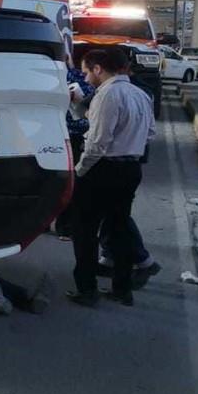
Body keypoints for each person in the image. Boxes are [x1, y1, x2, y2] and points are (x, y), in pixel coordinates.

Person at [68, 47, 156, 307]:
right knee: (119, 229)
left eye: (86, 72)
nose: (85, 79)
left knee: (84, 231)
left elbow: (97, 143)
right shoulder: (141, 94)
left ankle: (87, 289)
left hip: (103, 170)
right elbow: (150, 133)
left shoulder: (107, 95)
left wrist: (79, 172)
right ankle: (122, 289)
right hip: (131, 169)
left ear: (98, 69)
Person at [55, 61, 94, 238]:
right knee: (71, 181)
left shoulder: (52, 76)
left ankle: (60, 224)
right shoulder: (81, 78)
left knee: (60, 181)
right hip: (74, 135)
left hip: (58, 134)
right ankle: (65, 226)